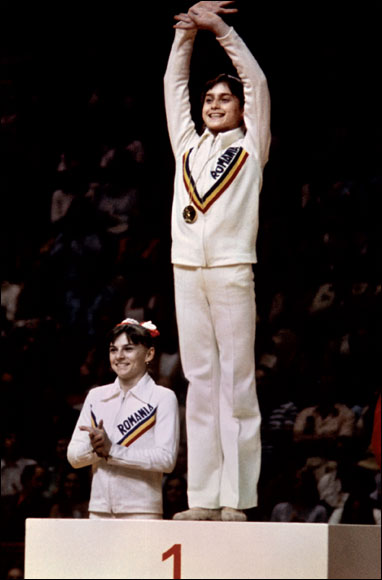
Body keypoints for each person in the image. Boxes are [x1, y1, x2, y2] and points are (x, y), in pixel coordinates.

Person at [164, 1, 271, 521]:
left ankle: (237, 498)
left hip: (230, 270)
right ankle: (203, 498)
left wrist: (221, 31)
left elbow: (257, 82)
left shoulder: (252, 146)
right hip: (187, 271)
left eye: (225, 98)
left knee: (236, 383)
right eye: (208, 97)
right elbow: (171, 88)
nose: (214, 103)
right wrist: (185, 34)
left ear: (241, 109)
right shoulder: (186, 145)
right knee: (199, 384)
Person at [67, 319, 180, 519]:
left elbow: (166, 460)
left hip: (142, 511)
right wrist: (96, 449)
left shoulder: (162, 397)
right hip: (99, 510)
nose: (119, 357)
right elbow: (74, 457)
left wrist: (113, 450)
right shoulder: (96, 396)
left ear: (149, 354)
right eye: (113, 350)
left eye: (128, 349)